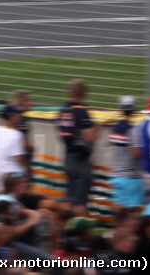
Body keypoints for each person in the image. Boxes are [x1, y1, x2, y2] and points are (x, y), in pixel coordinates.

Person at [59, 78, 97, 206]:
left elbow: (61, 135)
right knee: (79, 205)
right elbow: (91, 138)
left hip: (68, 158)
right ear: (85, 93)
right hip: (80, 162)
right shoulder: (82, 112)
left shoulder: (63, 110)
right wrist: (98, 129)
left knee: (70, 201)